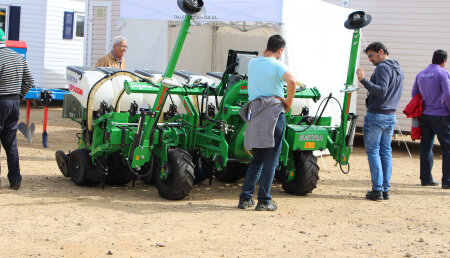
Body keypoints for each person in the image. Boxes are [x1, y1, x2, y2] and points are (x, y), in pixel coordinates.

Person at [238, 35, 296, 211]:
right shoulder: (278, 65)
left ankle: (245, 199)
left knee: (257, 159)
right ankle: (264, 201)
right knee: (271, 159)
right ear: (280, 50)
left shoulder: (253, 63)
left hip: (255, 112)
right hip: (273, 112)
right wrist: (288, 102)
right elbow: (292, 81)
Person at [356, 42, 404, 201]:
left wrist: (363, 80)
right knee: (385, 151)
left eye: (371, 55)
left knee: (374, 151)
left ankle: (377, 189)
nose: (370, 59)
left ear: (381, 52)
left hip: (377, 115)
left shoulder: (383, 68)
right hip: (390, 115)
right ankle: (385, 189)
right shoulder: (398, 68)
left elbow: (382, 91)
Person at [0, 28, 34, 190]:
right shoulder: (17, 56)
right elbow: (29, 80)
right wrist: (18, 96)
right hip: (14, 103)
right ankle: (15, 180)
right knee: (11, 143)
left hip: (1, 102)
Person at [411, 49, 450, 189]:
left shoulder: (420, 74)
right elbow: (447, 95)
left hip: (425, 116)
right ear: (444, 61)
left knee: (426, 146)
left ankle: (426, 179)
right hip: (441, 115)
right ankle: (447, 181)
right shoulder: (443, 73)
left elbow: (414, 94)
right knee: (447, 148)